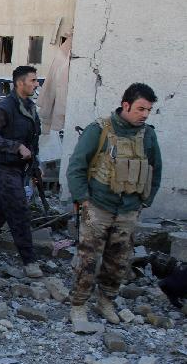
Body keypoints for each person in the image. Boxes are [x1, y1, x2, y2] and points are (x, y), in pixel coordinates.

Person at [66, 83, 162, 325]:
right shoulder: (98, 130)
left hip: (128, 209)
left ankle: (106, 301)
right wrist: (83, 200)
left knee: (118, 260)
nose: (145, 114)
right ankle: (78, 305)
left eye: (148, 110)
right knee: (88, 258)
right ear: (126, 105)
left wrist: (145, 201)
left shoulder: (148, 135)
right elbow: (76, 166)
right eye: (141, 109)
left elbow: (155, 169)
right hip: (95, 207)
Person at [0, 65, 43, 278]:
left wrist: (34, 166)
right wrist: (15, 147)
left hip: (20, 169)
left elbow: (33, 141)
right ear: (20, 83)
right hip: (5, 169)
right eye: (32, 80)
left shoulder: (29, 108)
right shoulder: (4, 108)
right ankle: (29, 261)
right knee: (19, 212)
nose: (36, 84)